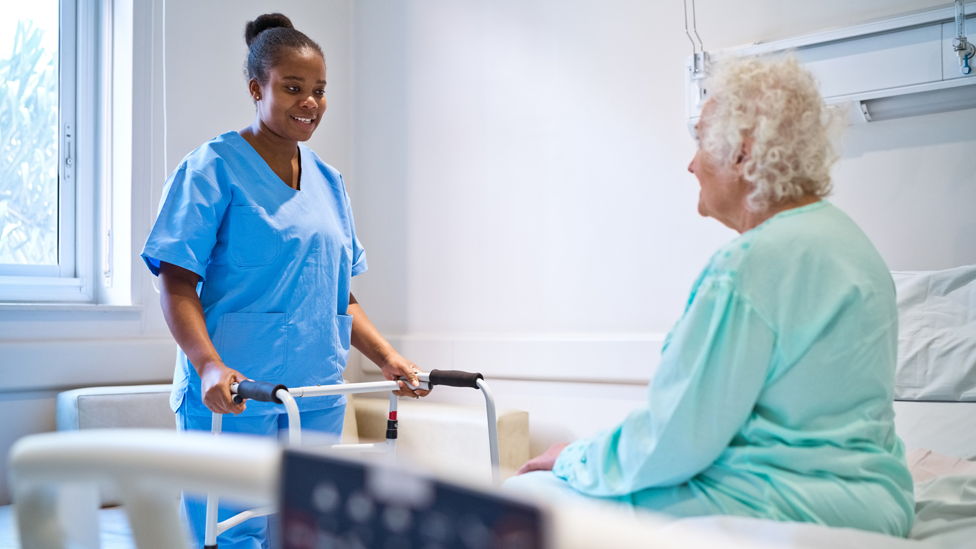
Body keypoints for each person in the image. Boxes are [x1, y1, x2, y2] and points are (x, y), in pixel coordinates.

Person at [506, 55, 915, 537]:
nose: (691, 163)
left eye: (699, 140)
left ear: (742, 154)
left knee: (524, 499)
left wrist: (571, 456)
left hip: (790, 499)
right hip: (879, 503)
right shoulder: (853, 245)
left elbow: (673, 441)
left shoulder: (748, 266)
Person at [141, 13, 428, 548]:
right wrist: (207, 366)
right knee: (232, 534)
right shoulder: (210, 168)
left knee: (307, 534)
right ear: (257, 88)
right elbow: (176, 282)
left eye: (319, 91)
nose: (310, 103)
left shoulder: (329, 182)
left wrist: (387, 355)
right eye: (293, 88)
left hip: (316, 390)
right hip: (235, 393)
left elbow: (339, 290)